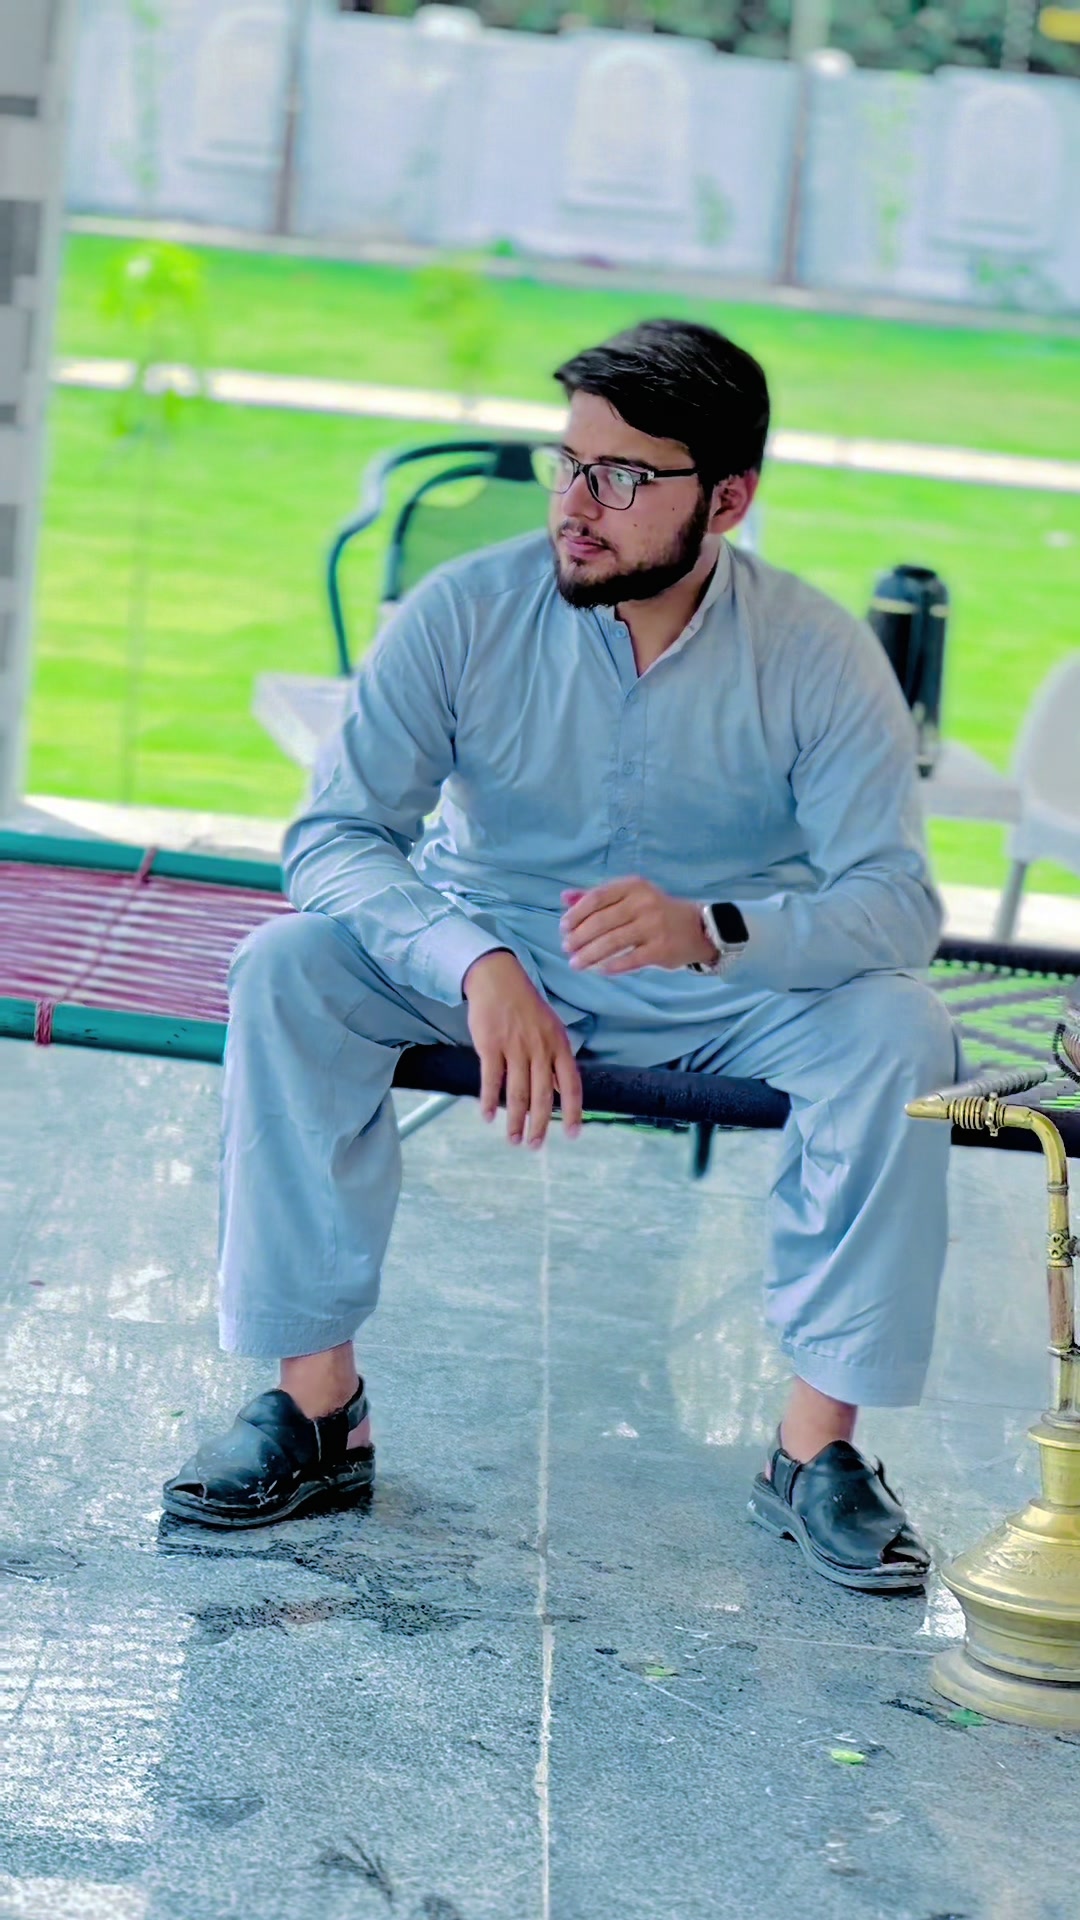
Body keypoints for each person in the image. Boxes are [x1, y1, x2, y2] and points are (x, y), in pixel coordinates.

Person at [163, 318, 961, 1590]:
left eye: (624, 477)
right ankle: (316, 1414)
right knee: (288, 969)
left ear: (729, 500)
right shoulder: (464, 610)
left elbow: (895, 902)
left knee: (900, 1028)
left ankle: (817, 1451)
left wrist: (716, 929)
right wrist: (473, 961)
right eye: (570, 463)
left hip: (714, 992)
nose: (577, 506)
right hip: (483, 961)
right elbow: (335, 837)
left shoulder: (818, 654)